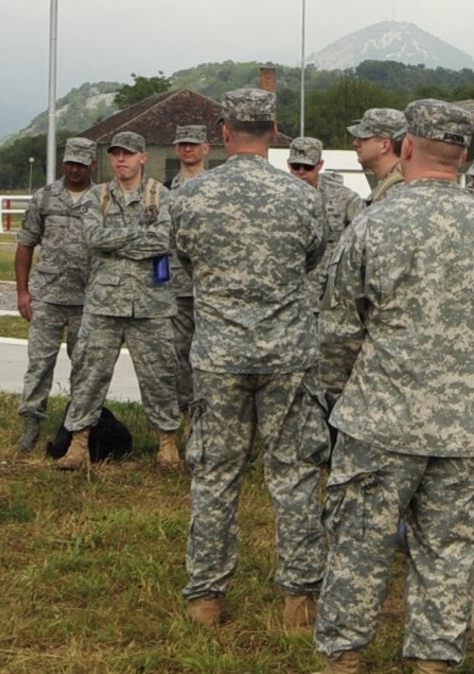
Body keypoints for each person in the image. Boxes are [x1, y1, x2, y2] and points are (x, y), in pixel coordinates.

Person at [302, 100, 474, 674]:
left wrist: (343, 393)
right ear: (462, 156)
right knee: (449, 550)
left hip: (382, 417)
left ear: (404, 149)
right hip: (467, 426)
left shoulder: (375, 225)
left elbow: (339, 333)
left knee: (358, 547)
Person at [166, 90, 329, 630]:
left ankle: (206, 598)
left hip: (219, 355)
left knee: (215, 474)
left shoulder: (192, 196)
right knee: (296, 474)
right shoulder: (304, 196)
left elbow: (183, 263)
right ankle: (300, 600)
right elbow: (312, 258)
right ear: (275, 131)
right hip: (288, 353)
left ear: (224, 132)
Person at [55, 131, 182, 469]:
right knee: (89, 374)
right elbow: (93, 237)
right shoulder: (98, 196)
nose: (120, 160)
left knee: (160, 377)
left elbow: (163, 241)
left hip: (151, 304)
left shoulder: (161, 196)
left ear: (143, 157)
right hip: (104, 303)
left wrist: (119, 242)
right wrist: (138, 237)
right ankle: (79, 443)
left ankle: (167, 445)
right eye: (115, 154)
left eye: (128, 154)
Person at [13, 137, 98, 454]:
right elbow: (25, 245)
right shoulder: (44, 198)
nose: (74, 169)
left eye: (80, 163)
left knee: (85, 366)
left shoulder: (103, 198)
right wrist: (23, 291)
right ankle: (31, 421)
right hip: (47, 297)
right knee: (39, 363)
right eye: (69, 163)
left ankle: (77, 426)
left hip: (87, 299)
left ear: (92, 164)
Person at [286, 136, 366, 306]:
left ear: (320, 165)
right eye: (295, 166)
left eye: (308, 167)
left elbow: (361, 247)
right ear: (288, 164)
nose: (301, 171)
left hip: (329, 299)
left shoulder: (346, 199)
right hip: (289, 299)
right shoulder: (277, 197)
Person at [168, 123, 213, 414]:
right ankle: (185, 408)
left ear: (206, 149)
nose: (188, 149)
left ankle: (210, 409)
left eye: (193, 144)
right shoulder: (164, 191)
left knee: (211, 350)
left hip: (210, 282)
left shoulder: (217, 188)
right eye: (183, 144)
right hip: (176, 283)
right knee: (178, 351)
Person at [348, 107, 407, 205]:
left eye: (363, 138)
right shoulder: (390, 183)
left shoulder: (398, 190)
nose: (355, 143)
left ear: (385, 145)